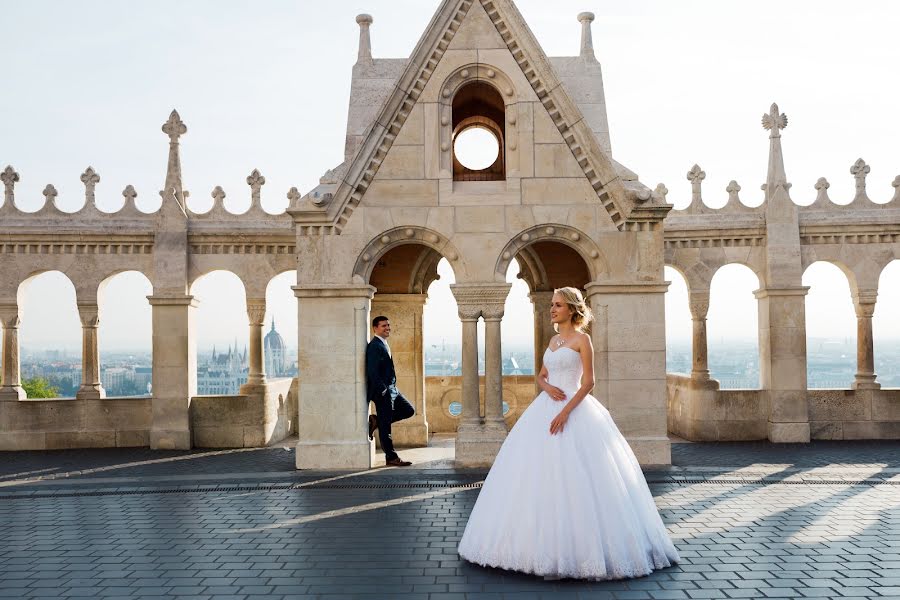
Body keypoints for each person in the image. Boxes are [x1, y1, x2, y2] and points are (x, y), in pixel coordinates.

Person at [458, 287, 680, 580]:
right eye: (551, 304)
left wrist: (565, 411)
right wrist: (546, 387)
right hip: (544, 409)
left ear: (572, 309)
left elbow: (589, 382)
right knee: (533, 474)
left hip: (574, 410)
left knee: (580, 476)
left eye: (558, 305)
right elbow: (541, 374)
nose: (552, 309)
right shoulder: (554, 340)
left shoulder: (582, 339)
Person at [365, 315, 416, 467]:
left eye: (388, 325)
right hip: (384, 392)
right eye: (383, 326)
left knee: (409, 410)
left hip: (393, 389)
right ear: (375, 328)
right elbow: (372, 371)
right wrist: (383, 391)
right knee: (386, 425)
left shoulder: (384, 343)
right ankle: (391, 457)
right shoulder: (374, 346)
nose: (387, 328)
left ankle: (376, 420)